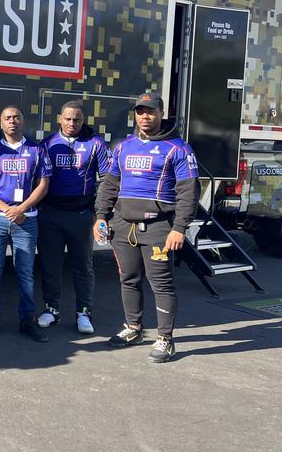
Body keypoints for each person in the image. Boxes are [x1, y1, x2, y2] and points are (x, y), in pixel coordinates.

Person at [94, 93, 199, 363]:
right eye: (140, 111)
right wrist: (101, 216)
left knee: (161, 284)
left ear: (161, 113)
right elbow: (109, 185)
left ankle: (165, 339)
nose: (145, 116)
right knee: (128, 279)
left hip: (158, 228)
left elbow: (188, 193)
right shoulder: (123, 147)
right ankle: (133, 329)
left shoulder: (178, 149)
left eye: (150, 111)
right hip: (123, 226)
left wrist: (179, 228)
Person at [0, 106, 51, 342]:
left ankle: (28, 320)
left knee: (26, 273)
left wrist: (22, 208)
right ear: (1, 123)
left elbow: (43, 185)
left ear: (23, 121)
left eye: (17, 117)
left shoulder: (37, 151)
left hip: (26, 220)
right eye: (7, 118)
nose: (12, 122)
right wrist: (7, 209)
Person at [37, 101, 111, 334]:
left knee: (83, 266)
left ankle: (84, 313)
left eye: (77, 120)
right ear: (59, 118)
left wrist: (101, 214)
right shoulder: (47, 144)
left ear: (83, 120)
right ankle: (51, 310)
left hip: (81, 214)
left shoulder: (95, 144)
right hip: (50, 214)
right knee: (50, 265)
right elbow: (36, 179)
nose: (72, 124)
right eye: (68, 119)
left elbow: (108, 180)